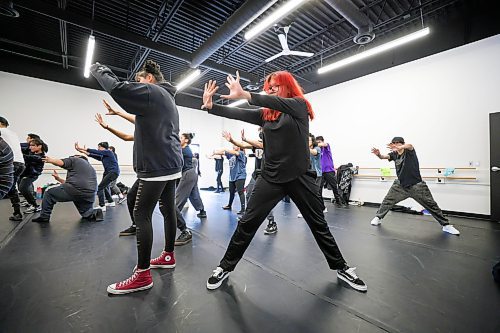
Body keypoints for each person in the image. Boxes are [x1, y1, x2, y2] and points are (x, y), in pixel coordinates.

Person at [201, 71, 367, 292]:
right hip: (271, 178)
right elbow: (239, 113)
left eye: (275, 86)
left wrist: (247, 94)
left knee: (319, 225)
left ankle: (341, 267)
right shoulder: (265, 115)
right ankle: (225, 267)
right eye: (268, 87)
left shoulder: (299, 106)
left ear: (287, 86)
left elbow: (272, 101)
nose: (269, 90)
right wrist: (212, 107)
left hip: (300, 177)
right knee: (247, 223)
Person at [91, 59, 183, 294]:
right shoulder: (167, 98)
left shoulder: (153, 91)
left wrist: (98, 68)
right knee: (168, 208)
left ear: (149, 79)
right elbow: (139, 118)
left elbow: (118, 89)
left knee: (141, 213)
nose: (138, 86)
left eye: (139, 81)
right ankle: (168, 256)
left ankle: (142, 276)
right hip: (171, 163)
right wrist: (118, 115)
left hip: (157, 165)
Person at [95, 106, 189, 240]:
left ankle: (185, 230)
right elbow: (127, 137)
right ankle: (136, 225)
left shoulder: (158, 127)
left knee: (166, 206)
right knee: (131, 196)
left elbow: (136, 120)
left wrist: (117, 113)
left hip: (160, 171)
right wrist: (108, 126)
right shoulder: (144, 132)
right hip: (147, 172)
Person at [370, 137, 460, 235]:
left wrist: (400, 147)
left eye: (398, 143)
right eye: (394, 143)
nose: (395, 145)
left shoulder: (409, 151)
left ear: (402, 143)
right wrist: (378, 154)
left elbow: (410, 145)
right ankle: (378, 217)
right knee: (387, 201)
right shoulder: (394, 154)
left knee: (431, 205)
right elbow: (383, 157)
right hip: (400, 185)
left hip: (417, 185)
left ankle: (446, 225)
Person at [223, 128, 277, 234]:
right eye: (260, 130)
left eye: (263, 130)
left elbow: (261, 145)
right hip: (256, 174)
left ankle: (272, 223)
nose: (261, 133)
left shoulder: (271, 144)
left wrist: (245, 138)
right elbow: (243, 145)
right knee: (248, 195)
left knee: (264, 200)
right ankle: (249, 218)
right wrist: (232, 140)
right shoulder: (256, 145)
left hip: (267, 176)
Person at [31, 155, 104, 223]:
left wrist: (51, 160)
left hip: (76, 189)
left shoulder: (76, 160)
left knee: (49, 191)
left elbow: (62, 163)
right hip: (90, 193)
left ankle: (44, 217)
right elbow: (71, 183)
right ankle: (94, 213)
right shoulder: (88, 169)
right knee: (86, 213)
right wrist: (58, 178)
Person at [75, 141, 119, 211]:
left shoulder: (108, 152)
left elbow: (95, 152)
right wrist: (82, 151)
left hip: (112, 172)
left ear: (103, 147)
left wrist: (82, 148)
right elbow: (92, 155)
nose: (98, 148)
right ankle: (111, 201)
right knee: (104, 187)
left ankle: (102, 205)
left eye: (99, 147)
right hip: (108, 172)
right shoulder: (104, 156)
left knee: (100, 188)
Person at [0, 117, 26, 221]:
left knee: (10, 188)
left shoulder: (1, 131)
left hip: (10, 162)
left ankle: (18, 213)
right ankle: (17, 212)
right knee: (11, 188)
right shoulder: (13, 133)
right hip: (20, 163)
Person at [214, 142, 247, 215]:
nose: (233, 146)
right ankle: (229, 205)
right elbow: (220, 153)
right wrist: (214, 152)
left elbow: (236, 153)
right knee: (231, 192)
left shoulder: (241, 153)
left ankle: (243, 209)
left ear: (239, 147)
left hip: (240, 176)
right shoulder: (230, 154)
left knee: (240, 192)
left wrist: (225, 149)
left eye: (235, 145)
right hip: (232, 176)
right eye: (233, 145)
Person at [297, 133, 324, 218]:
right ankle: (315, 209)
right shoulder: (305, 150)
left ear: (312, 141)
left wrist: (303, 146)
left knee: (315, 193)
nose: (307, 141)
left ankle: (319, 209)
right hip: (307, 174)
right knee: (307, 193)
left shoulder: (317, 148)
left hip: (317, 175)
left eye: (308, 140)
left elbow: (314, 152)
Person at [316, 136, 347, 207]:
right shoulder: (317, 150)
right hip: (321, 172)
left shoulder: (326, 147)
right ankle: (320, 205)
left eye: (319, 142)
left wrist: (315, 144)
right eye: (317, 142)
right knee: (319, 189)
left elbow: (325, 144)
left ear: (322, 141)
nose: (318, 144)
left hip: (329, 171)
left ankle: (339, 202)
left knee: (334, 187)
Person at [19, 138, 47, 214]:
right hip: (24, 174)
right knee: (22, 188)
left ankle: (35, 206)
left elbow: (26, 157)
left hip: (31, 175)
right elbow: (21, 146)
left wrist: (16, 152)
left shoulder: (40, 157)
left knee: (23, 188)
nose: (30, 147)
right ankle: (30, 202)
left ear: (39, 146)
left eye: (33, 145)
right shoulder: (31, 152)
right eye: (30, 145)